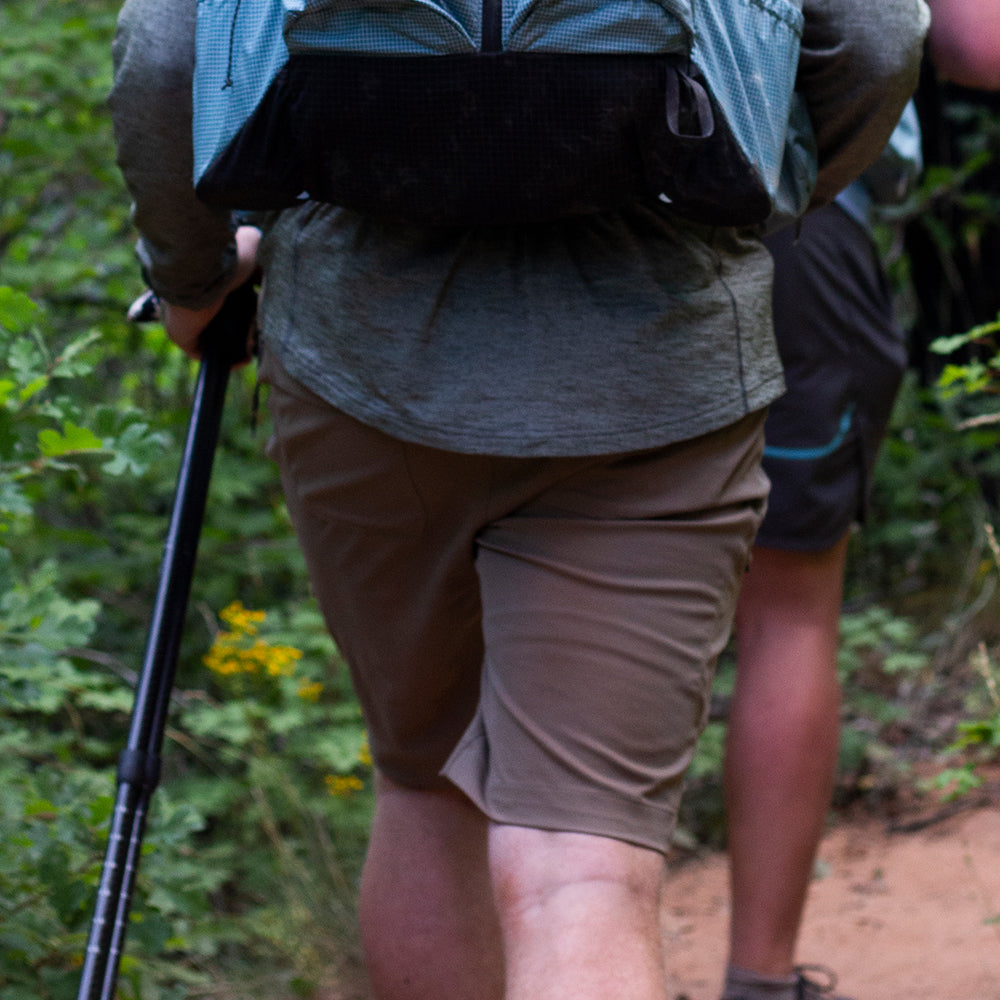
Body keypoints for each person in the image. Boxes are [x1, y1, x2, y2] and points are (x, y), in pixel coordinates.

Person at [108, 1, 927, 997]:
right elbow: (880, 36)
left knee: (424, 784)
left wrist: (193, 280)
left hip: (366, 362)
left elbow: (164, 47)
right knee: (582, 867)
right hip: (653, 368)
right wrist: (759, 193)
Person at [721, 6, 1000, 995]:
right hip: (782, 218)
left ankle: (539, 949)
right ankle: (757, 979)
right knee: (788, 611)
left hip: (465, 260)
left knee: (519, 619)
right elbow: (967, 42)